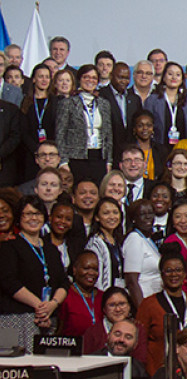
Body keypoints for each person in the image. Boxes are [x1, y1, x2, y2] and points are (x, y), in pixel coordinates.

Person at [0, 195, 67, 351]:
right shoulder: (8, 246)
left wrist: (52, 305)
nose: (33, 218)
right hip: (14, 319)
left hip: (47, 319)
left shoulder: (51, 250)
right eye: (28, 214)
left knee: (43, 370)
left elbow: (63, 282)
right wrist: (39, 306)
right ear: (19, 218)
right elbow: (8, 282)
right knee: (12, 369)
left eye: (37, 214)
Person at [138, 251, 187, 376]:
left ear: (185, 274)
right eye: (168, 270)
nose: (174, 274)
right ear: (162, 275)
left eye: (178, 270)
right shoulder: (148, 305)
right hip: (158, 373)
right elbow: (140, 343)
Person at [56, 65, 112, 184]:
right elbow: (60, 133)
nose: (90, 80)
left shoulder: (104, 104)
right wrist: (63, 161)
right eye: (86, 77)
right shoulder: (68, 103)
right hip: (76, 157)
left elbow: (108, 134)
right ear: (79, 79)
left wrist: (109, 161)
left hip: (99, 156)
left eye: (93, 78)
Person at [123, 199, 161, 306]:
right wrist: (142, 311)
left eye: (151, 213)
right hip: (143, 300)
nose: (148, 217)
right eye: (142, 214)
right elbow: (131, 281)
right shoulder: (134, 239)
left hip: (154, 300)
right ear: (134, 219)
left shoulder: (147, 239)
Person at [58, 250, 101, 339]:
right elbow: (59, 331)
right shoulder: (65, 296)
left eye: (95, 269)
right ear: (75, 270)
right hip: (72, 350)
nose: (91, 273)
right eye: (86, 268)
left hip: (98, 351)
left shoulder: (103, 297)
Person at [143, 61, 187, 146]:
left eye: (178, 75)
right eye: (170, 74)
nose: (174, 77)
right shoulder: (152, 100)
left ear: (182, 80)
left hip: (182, 150)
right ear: (164, 77)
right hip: (158, 147)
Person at [85, 197, 125, 290]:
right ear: (97, 217)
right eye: (106, 213)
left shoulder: (117, 241)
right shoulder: (95, 243)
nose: (112, 217)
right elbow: (96, 279)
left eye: (115, 212)